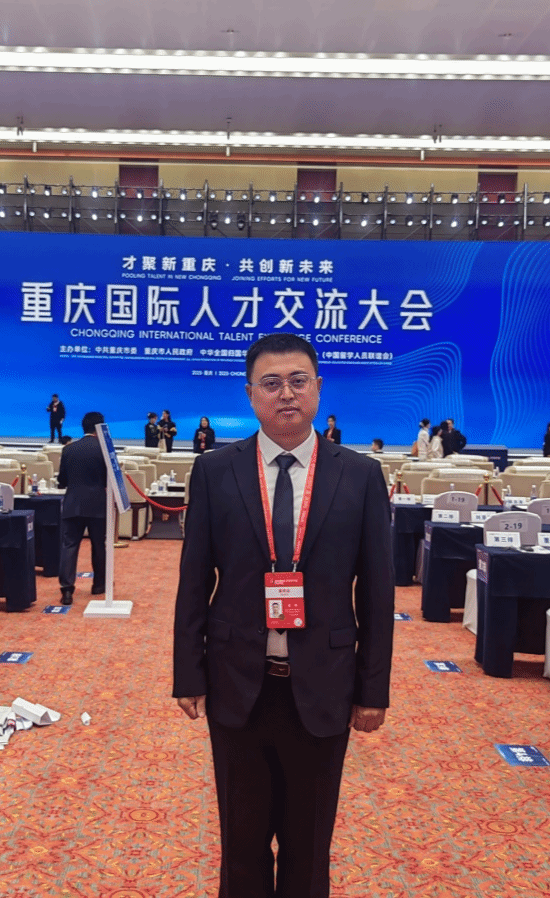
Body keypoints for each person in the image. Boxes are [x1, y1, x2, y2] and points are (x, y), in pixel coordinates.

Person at [173, 332, 393, 898]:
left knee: (309, 847)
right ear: (250, 394)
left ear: (318, 388)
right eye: (271, 383)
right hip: (236, 683)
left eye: (298, 381)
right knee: (241, 845)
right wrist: (187, 674)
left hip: (324, 684)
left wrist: (373, 689)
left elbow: (376, 593)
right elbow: (194, 580)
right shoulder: (215, 470)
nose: (286, 394)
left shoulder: (360, 475)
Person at [56, 412, 109, 605]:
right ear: (99, 428)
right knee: (98, 545)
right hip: (97, 505)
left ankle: (67, 590)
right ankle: (99, 585)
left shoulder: (69, 449)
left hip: (72, 503)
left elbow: (62, 480)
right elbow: (109, 479)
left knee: (69, 546)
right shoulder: (104, 449)